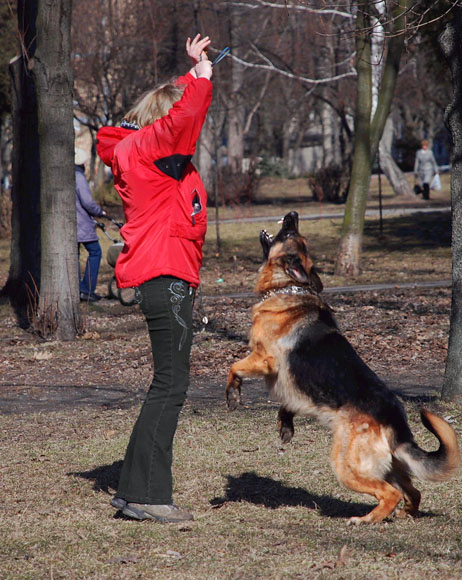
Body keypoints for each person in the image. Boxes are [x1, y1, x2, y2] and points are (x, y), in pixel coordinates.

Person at [96, 34, 213, 523]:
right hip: (165, 277)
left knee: (166, 383)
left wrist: (193, 74)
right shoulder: (148, 152)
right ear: (160, 123)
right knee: (170, 385)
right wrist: (198, 79)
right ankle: (146, 496)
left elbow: (171, 129)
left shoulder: (146, 157)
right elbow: (182, 124)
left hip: (166, 277)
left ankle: (134, 490)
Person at [75, 148, 106, 302]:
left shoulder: (65, 175)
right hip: (81, 223)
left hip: (72, 224)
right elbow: (87, 202)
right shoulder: (78, 176)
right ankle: (86, 289)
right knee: (95, 252)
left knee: (74, 256)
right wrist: (99, 212)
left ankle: (79, 288)